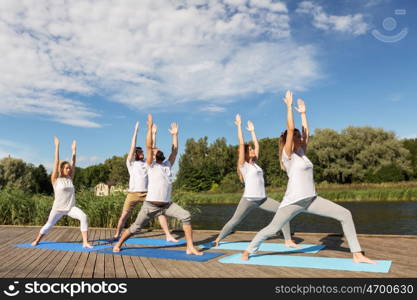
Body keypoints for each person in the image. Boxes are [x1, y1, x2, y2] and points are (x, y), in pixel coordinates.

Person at [241, 91, 377, 264]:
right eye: (296, 136)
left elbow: (308, 132)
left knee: (345, 214)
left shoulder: (302, 153)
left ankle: (357, 254)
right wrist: (289, 108)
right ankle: (249, 250)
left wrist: (304, 114)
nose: (299, 137)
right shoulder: (287, 155)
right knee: (272, 228)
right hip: (293, 201)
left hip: (311, 199)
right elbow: (290, 129)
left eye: (299, 135)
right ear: (288, 140)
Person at [113, 114, 202, 255]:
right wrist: (149, 128)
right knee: (136, 228)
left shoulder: (167, 164)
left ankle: (190, 247)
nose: (157, 150)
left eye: (158, 149)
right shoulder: (150, 165)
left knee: (186, 216)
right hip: (150, 206)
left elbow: (175, 151)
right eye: (155, 150)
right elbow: (149, 145)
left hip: (167, 205)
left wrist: (175, 135)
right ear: (152, 156)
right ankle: (119, 243)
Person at [213, 114, 299, 248]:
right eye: (250, 149)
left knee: (283, 211)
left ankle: (288, 240)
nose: (253, 150)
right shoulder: (244, 165)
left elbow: (257, 145)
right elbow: (242, 144)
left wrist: (253, 131)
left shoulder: (255, 164)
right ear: (246, 154)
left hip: (262, 199)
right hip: (248, 200)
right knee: (235, 221)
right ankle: (218, 239)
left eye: (252, 149)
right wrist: (239, 127)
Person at [112, 121, 178, 242]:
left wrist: (153, 134)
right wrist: (136, 131)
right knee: (124, 215)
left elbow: (152, 148)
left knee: (160, 213)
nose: (142, 153)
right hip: (132, 194)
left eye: (142, 151)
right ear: (135, 154)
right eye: (139, 152)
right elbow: (132, 148)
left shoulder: (149, 164)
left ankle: (168, 234)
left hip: (147, 193)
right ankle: (117, 234)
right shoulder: (131, 163)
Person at [32, 137, 93, 248]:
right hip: (58, 208)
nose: (69, 169)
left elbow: (74, 162)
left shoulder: (70, 179)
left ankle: (85, 242)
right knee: (49, 225)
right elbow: (56, 162)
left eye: (69, 168)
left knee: (83, 216)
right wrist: (57, 146)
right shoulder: (55, 180)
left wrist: (74, 150)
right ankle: (37, 240)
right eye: (66, 168)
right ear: (61, 170)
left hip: (70, 208)